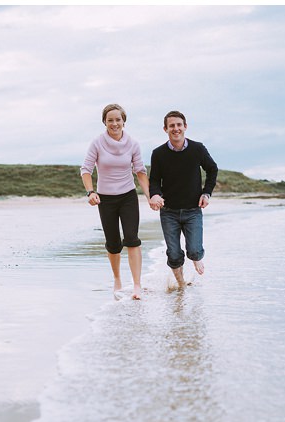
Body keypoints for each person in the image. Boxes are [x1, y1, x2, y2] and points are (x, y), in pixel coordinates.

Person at [81, 103, 152, 300]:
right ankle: (117, 279)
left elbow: (140, 172)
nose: (114, 123)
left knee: (132, 238)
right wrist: (91, 192)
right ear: (104, 122)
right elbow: (86, 170)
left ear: (124, 121)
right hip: (105, 199)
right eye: (110, 120)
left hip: (128, 196)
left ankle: (137, 285)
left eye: (118, 120)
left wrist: (149, 196)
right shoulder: (97, 143)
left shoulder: (133, 144)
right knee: (113, 243)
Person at [148, 110, 219, 288]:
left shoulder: (198, 149)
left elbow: (212, 169)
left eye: (179, 125)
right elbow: (155, 179)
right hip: (169, 212)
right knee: (173, 254)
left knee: (194, 250)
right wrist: (155, 194)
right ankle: (181, 285)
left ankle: (196, 258)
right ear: (165, 129)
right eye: (171, 125)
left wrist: (206, 193)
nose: (176, 128)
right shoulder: (158, 153)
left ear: (185, 127)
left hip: (193, 210)